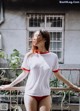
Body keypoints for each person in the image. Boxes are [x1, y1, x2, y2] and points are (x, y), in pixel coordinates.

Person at [0, 30, 80, 111]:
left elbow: (58, 75)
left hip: (45, 94)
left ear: (45, 39)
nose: (34, 38)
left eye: (37, 36)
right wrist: (10, 85)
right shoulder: (29, 56)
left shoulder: (53, 57)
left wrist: (72, 86)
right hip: (30, 93)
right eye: (33, 36)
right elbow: (23, 74)